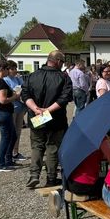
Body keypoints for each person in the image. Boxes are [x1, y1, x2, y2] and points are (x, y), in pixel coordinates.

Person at [21, 50, 73, 188]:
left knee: (37, 146)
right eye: (62, 62)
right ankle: (51, 178)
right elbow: (65, 97)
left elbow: (25, 94)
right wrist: (47, 110)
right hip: (55, 119)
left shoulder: (32, 76)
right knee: (52, 147)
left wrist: (36, 109)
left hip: (36, 116)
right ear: (58, 61)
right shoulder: (63, 77)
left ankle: (34, 175)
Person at [0, 59, 20, 173]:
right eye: (7, 69)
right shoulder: (0, 82)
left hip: (1, 112)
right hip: (2, 112)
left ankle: (8, 160)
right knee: (6, 138)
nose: (9, 71)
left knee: (13, 136)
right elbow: (3, 100)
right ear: (2, 69)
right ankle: (0, 164)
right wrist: (15, 97)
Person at [4, 61, 28, 162]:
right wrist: (17, 94)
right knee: (11, 131)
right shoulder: (5, 80)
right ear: (8, 70)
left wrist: (20, 79)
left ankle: (16, 152)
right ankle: (8, 153)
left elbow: (24, 88)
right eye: (12, 69)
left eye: (15, 68)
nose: (15, 70)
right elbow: (12, 93)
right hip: (13, 107)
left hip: (21, 107)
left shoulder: (17, 78)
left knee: (18, 130)